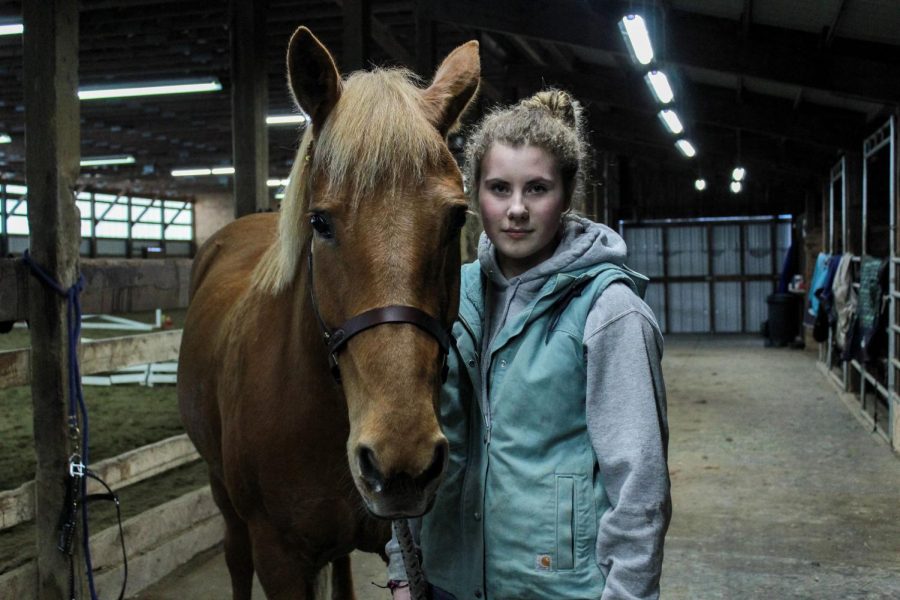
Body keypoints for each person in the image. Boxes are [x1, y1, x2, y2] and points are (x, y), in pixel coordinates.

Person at [387, 89, 671, 600]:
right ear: (474, 195)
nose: (516, 209)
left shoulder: (610, 312)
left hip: (556, 588)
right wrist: (404, 567)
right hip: (447, 581)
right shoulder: (451, 297)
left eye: (537, 188)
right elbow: (409, 431)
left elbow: (640, 482)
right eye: (499, 188)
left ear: (566, 195)